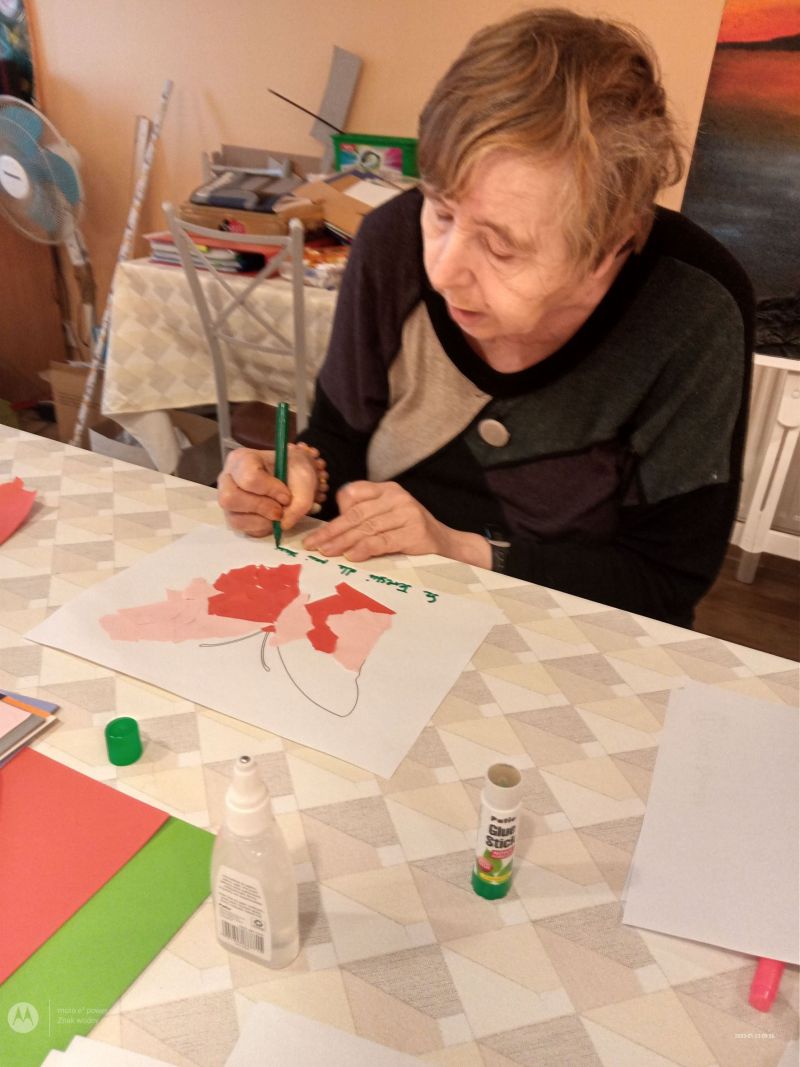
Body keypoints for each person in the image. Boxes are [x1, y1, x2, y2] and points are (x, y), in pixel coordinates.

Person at [218, 7, 754, 628]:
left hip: (567, 628)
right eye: (441, 211)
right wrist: (300, 473)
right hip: (376, 604)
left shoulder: (694, 310)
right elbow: (342, 436)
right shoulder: (392, 242)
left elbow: (664, 581)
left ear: (610, 248)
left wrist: (460, 550)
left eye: (502, 248)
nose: (444, 272)